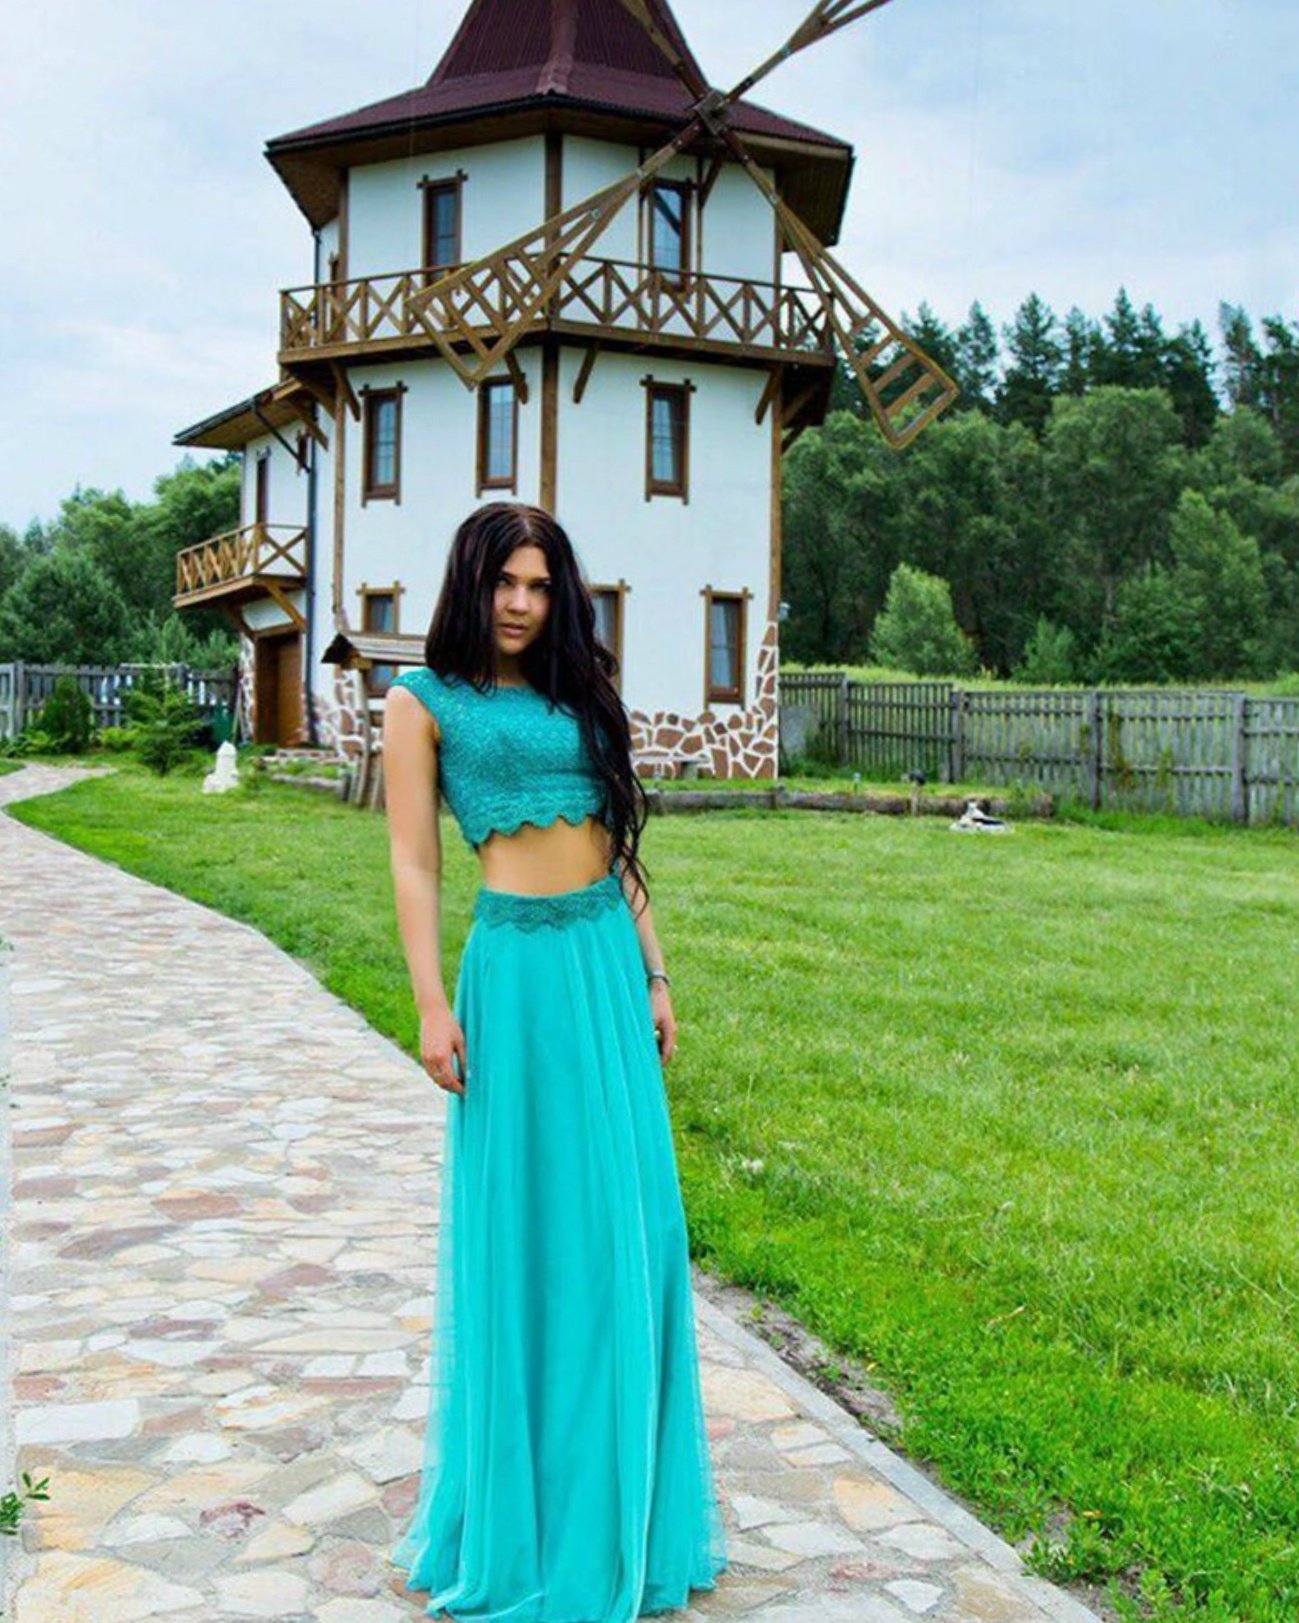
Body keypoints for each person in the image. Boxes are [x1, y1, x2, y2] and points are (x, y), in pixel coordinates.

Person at [382, 500, 730, 1622]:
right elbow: (416, 864)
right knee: (534, 1238)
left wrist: (657, 974)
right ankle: (535, 1525)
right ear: (470, 583)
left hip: (603, 965)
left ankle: (627, 1512)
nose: (522, 603)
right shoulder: (421, 702)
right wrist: (431, 1005)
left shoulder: (580, 690)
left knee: (632, 1233)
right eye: (505, 582)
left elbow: (617, 848)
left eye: (539, 584)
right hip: (517, 980)